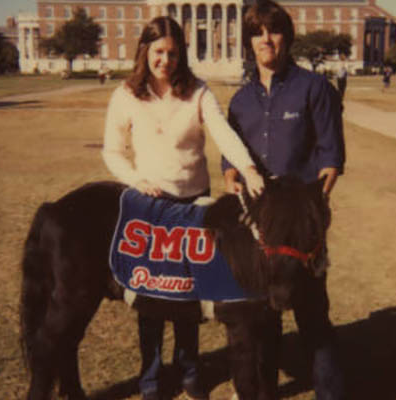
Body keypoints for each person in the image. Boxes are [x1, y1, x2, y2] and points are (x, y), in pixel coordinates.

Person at [102, 16, 264, 400]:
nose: (166, 60)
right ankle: (151, 378)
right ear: (145, 51)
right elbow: (112, 150)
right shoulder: (126, 95)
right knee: (151, 295)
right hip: (150, 206)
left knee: (190, 294)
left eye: (173, 53)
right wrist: (135, 180)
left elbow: (223, 131)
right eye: (159, 52)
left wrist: (248, 167)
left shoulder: (197, 91)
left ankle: (190, 371)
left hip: (193, 204)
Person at [221, 1, 345, 398]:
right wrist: (229, 173)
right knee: (263, 317)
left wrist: (310, 213)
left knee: (313, 318)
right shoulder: (240, 101)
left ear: (286, 38)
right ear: (249, 41)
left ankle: (329, 393)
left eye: (273, 31)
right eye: (257, 33)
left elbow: (331, 157)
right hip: (262, 231)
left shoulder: (315, 89)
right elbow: (231, 152)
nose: (265, 40)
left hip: (302, 229)